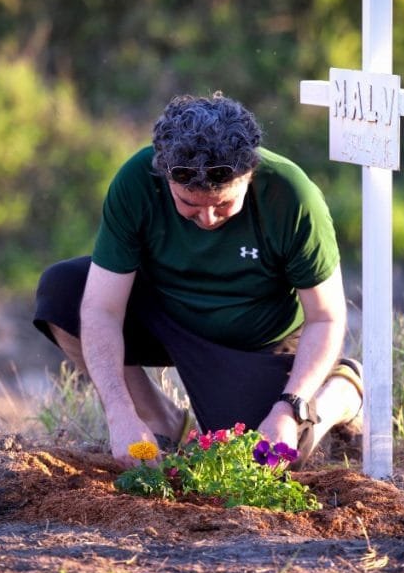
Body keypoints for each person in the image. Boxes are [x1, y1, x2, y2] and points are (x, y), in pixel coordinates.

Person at [33, 92, 363, 468]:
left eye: (223, 204)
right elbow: (101, 308)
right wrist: (120, 414)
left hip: (255, 340)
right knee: (64, 291)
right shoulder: (135, 182)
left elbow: (326, 317)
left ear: (250, 171)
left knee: (268, 456)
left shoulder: (293, 195)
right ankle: (163, 421)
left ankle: (344, 388)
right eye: (189, 204)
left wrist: (289, 408)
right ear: (164, 173)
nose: (207, 219)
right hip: (167, 311)